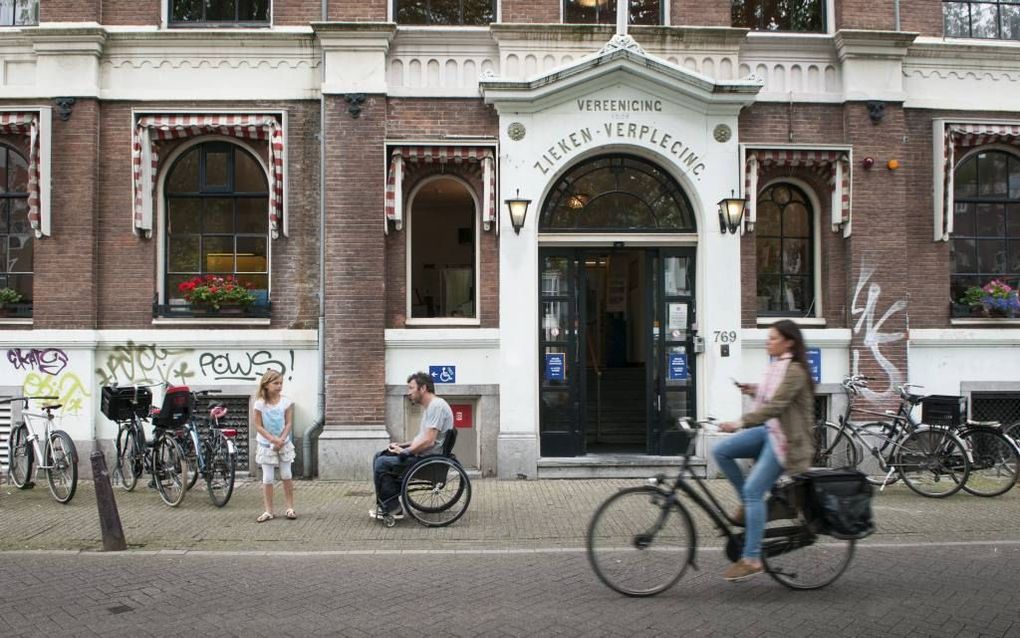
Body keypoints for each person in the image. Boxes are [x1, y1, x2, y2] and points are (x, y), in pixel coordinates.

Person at [714, 319, 816, 582]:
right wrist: (753, 389)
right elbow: (771, 395)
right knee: (721, 451)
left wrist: (739, 423)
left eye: (772, 338)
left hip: (785, 440)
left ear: (788, 341)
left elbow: (777, 405)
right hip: (771, 431)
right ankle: (750, 506)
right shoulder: (776, 368)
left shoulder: (794, 371)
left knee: (753, 491)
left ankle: (751, 558)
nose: (767, 342)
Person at [370, 371, 454, 521]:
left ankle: (392, 508)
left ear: (423, 388)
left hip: (427, 460)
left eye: (411, 388)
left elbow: (429, 441)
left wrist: (406, 452)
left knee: (382, 463)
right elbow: (423, 438)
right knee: (380, 455)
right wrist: (401, 445)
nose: (408, 393)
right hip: (424, 456)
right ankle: (388, 503)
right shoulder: (431, 407)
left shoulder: (436, 406)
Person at [253, 370, 297, 523]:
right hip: (266, 444)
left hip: (283, 443)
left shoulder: (286, 402)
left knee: (286, 474)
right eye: (276, 383)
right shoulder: (259, 404)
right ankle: (268, 510)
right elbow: (258, 426)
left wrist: (282, 439)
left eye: (281, 383)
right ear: (266, 385)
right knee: (268, 477)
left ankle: (290, 507)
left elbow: (289, 422)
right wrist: (272, 440)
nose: (279, 386)